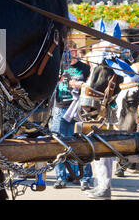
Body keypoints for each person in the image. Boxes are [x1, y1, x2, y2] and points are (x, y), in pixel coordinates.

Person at [50, 40, 92, 190]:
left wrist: (81, 85)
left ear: (76, 51)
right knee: (59, 144)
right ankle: (61, 177)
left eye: (72, 51)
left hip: (77, 110)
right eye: (66, 51)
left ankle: (84, 177)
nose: (70, 54)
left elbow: (92, 86)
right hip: (59, 108)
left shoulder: (86, 68)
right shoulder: (59, 66)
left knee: (82, 144)